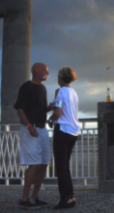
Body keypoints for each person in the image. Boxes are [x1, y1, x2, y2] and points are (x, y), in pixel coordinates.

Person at [12, 64, 54, 208]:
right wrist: (29, 126)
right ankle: (24, 198)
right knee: (34, 164)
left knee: (43, 164)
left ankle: (35, 197)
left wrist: (49, 108)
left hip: (42, 129)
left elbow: (40, 109)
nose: (47, 72)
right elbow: (20, 109)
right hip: (31, 128)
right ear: (36, 70)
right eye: (45, 70)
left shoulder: (42, 88)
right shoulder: (26, 87)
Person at [48, 67, 84, 209]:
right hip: (73, 132)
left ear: (61, 78)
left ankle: (66, 199)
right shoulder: (73, 93)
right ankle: (71, 197)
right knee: (65, 166)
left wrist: (50, 119)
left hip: (62, 130)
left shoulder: (60, 91)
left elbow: (58, 112)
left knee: (61, 167)